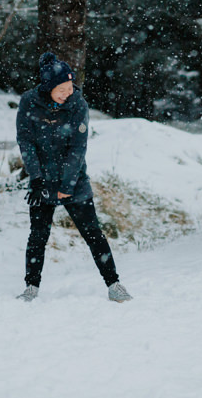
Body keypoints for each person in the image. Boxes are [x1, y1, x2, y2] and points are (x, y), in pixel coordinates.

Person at [15, 52, 132, 303]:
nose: (67, 93)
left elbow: (78, 148)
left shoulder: (78, 103)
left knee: (93, 233)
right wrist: (36, 178)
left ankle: (114, 284)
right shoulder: (29, 102)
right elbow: (25, 141)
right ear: (47, 88)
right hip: (42, 181)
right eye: (61, 89)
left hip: (74, 179)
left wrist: (67, 186)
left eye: (70, 87)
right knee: (38, 235)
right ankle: (31, 288)